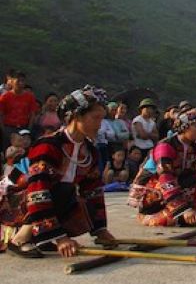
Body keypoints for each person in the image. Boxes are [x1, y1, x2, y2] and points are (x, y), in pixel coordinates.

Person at [2, 85, 116, 258]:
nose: (100, 125)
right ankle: (20, 238)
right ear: (76, 117)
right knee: (62, 190)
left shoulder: (90, 151)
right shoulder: (47, 146)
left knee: (75, 197)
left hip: (45, 199)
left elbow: (93, 191)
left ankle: (41, 236)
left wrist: (100, 230)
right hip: (15, 199)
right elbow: (38, 191)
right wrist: (60, 238)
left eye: (102, 119)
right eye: (96, 118)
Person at [129, 107, 196, 227]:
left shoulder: (193, 148)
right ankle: (156, 216)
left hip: (172, 186)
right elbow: (165, 179)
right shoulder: (165, 146)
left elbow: (195, 174)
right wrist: (182, 209)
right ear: (184, 127)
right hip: (152, 189)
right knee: (167, 185)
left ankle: (188, 212)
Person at [0, 71, 40, 150]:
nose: (21, 83)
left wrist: (29, 128)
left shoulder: (30, 97)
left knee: (23, 150)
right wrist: (3, 129)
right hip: (9, 128)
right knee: (8, 150)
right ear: (12, 82)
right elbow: (1, 114)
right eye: (18, 81)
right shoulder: (5, 97)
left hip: (23, 127)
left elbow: (32, 114)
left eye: (23, 81)